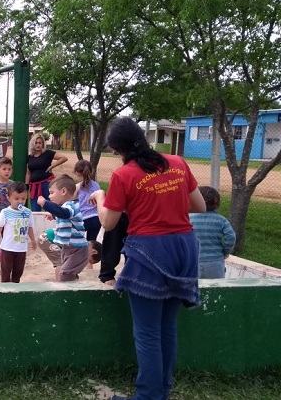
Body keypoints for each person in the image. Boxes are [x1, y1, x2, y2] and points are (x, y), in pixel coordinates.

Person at [88, 117, 206, 400]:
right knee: (167, 327)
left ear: (118, 150)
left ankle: (148, 396)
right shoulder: (177, 162)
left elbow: (109, 223)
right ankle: (161, 391)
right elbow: (199, 205)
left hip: (151, 252)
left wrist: (100, 196)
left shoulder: (124, 175)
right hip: (184, 248)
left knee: (148, 333)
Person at [37, 174, 88, 281]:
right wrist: (54, 215)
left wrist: (45, 204)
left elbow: (64, 213)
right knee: (68, 273)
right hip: (68, 248)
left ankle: (70, 295)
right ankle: (75, 291)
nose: (49, 196)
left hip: (77, 249)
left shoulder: (70, 205)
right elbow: (65, 216)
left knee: (65, 274)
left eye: (51, 193)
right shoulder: (67, 208)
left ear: (63, 191)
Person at [0, 182, 37, 283]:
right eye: (16, 199)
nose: (20, 201)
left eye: (23, 199)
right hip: (7, 247)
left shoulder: (28, 212)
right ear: (9, 197)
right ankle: (5, 289)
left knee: (18, 271)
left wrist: (33, 240)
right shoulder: (5, 212)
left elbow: (29, 227)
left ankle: (16, 287)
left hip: (21, 248)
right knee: (6, 270)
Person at [190, 186, 236, 279]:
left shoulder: (188, 218)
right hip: (215, 263)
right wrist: (225, 252)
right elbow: (231, 237)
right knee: (216, 290)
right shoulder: (221, 220)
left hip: (192, 262)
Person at [26, 133, 68, 211]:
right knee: (35, 210)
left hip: (47, 184)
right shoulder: (30, 157)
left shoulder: (48, 153)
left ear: (43, 144)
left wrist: (52, 166)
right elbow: (28, 172)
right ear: (32, 144)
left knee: (50, 208)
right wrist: (27, 185)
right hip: (34, 186)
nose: (38, 145)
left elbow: (64, 158)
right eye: (36, 143)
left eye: (40, 143)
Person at [73, 159, 101, 241]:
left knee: (77, 240)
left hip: (83, 219)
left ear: (77, 172)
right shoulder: (97, 185)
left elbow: (70, 201)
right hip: (96, 218)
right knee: (92, 243)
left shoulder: (78, 187)